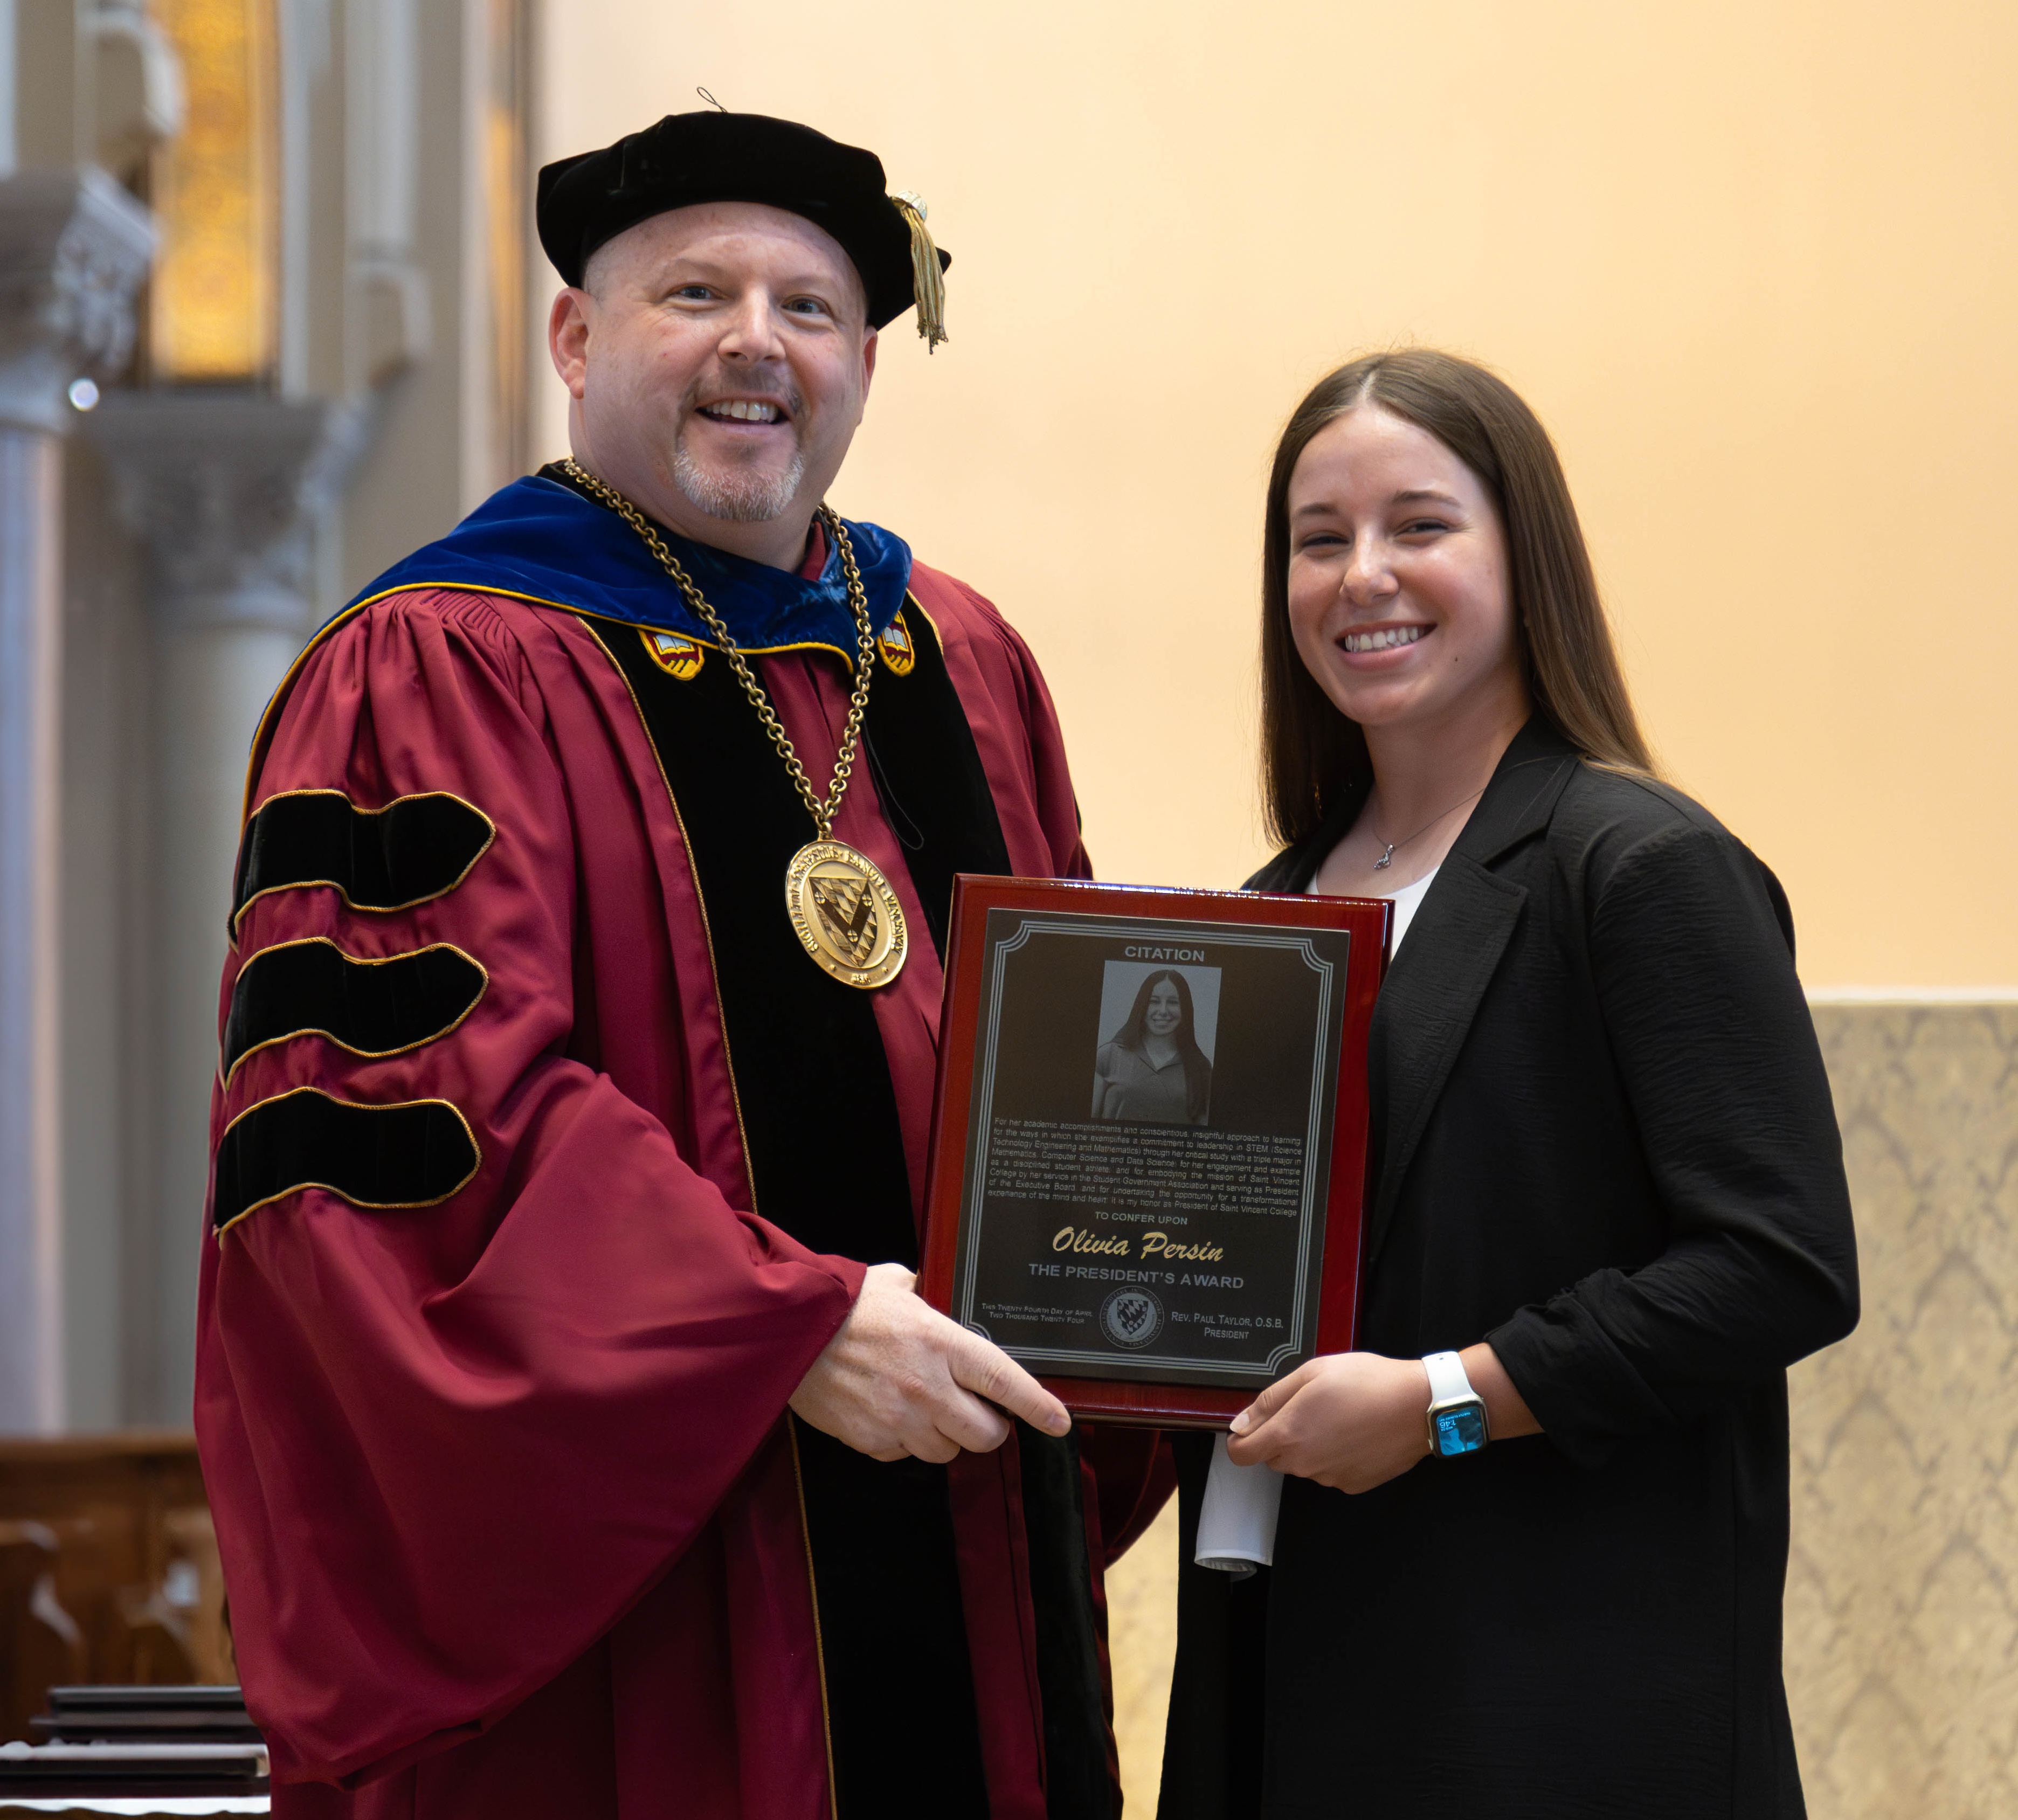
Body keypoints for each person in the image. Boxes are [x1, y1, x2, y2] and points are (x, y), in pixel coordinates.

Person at [194, 108, 1167, 1820]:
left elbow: (1062, 1061)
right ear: (576, 338)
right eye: (695, 292)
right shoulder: (439, 666)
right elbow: (414, 1133)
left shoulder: (958, 656)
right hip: (652, 1612)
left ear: (865, 361)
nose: (756, 344)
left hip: (957, 1552)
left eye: (808, 308)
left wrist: (1177, 1281)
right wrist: (776, 1330)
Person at [1157, 349, 1858, 1818]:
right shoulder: (1270, 913)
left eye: (1420, 525)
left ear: (1522, 555)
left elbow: (1779, 1266)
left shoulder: (1642, 868)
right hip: (1303, 1671)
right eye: (1318, 538)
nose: (1363, 576)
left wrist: (1443, 1402)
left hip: (1563, 1695)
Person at [1091, 969, 1213, 1123]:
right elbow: (1088, 1127)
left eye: (1173, 1002)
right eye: (1154, 1001)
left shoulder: (1200, 1067)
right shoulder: (1107, 1056)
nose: (1163, 1011)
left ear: (1185, 1009)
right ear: (1142, 1006)